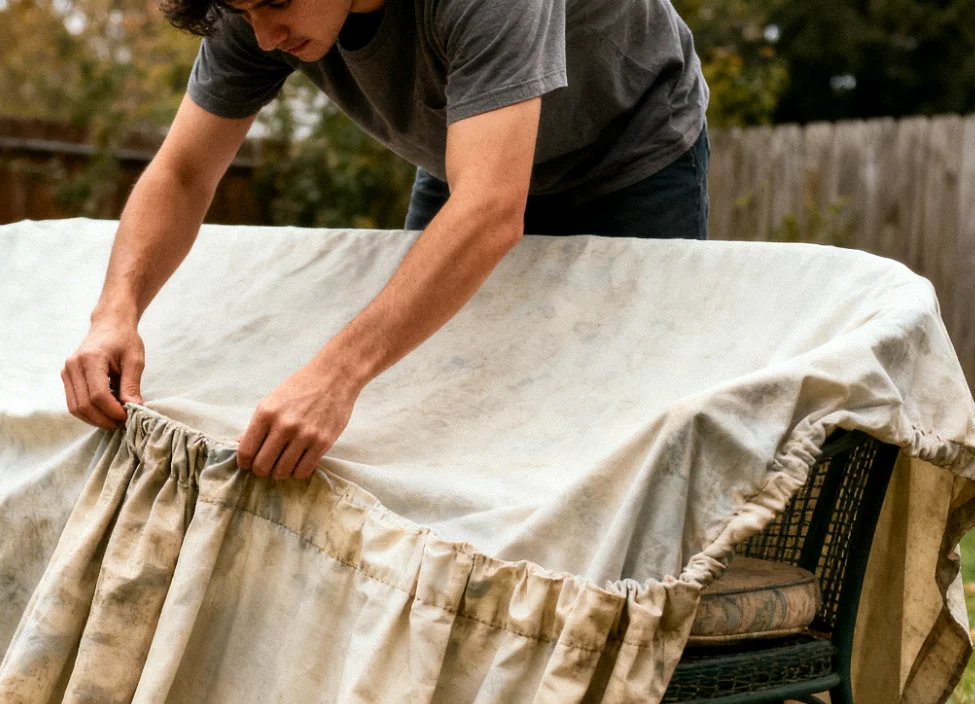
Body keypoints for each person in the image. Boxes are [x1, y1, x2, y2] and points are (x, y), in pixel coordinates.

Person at [61, 0, 710, 479]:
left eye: (276, 6)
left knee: (628, 426)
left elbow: (489, 210)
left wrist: (335, 373)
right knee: (432, 406)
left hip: (629, 152)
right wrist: (114, 313)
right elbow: (181, 173)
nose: (266, 36)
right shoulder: (252, 11)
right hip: (463, 162)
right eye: (246, 12)